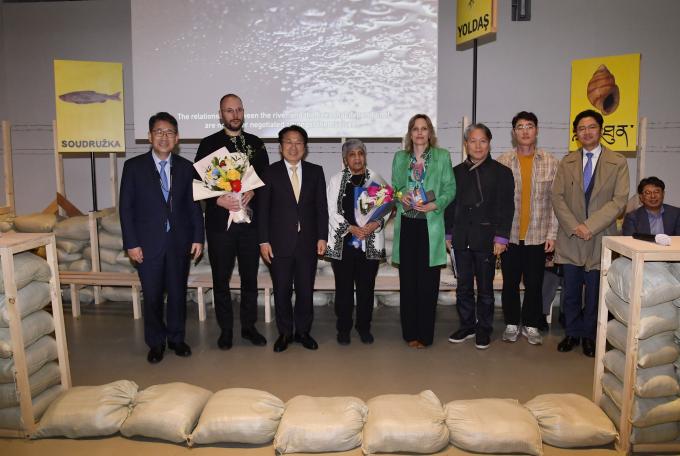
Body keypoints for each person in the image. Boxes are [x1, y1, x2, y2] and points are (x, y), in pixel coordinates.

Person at [120, 112, 204, 364]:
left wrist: (198, 237)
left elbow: (193, 207)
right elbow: (126, 209)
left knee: (178, 294)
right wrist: (131, 243)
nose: (164, 137)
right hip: (147, 245)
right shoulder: (133, 167)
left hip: (179, 243)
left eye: (169, 133)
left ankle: (177, 339)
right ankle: (156, 342)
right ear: (149, 136)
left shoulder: (186, 168)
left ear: (177, 138)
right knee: (153, 295)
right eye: (159, 132)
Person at [194, 94, 269, 350]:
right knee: (221, 279)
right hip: (219, 226)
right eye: (229, 111)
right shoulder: (208, 144)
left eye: (238, 110)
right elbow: (198, 183)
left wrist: (254, 191)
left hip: (249, 224)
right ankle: (225, 330)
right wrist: (218, 200)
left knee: (250, 278)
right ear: (221, 114)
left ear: (243, 112)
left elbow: (266, 179)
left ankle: (248, 327)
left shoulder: (256, 144)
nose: (234, 115)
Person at [552, 109, 629, 357]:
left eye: (591, 127)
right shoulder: (567, 162)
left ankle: (589, 336)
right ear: (576, 133)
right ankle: (572, 333)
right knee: (571, 291)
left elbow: (619, 201)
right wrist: (576, 226)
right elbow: (557, 197)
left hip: (600, 236)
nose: (586, 132)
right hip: (572, 236)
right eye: (581, 128)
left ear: (601, 130)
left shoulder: (618, 162)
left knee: (595, 292)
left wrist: (590, 226)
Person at [258, 125, 328, 352]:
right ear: (280, 147)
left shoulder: (316, 172)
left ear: (305, 147)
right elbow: (262, 210)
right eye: (289, 142)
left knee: (306, 290)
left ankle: (303, 331)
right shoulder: (270, 172)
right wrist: (263, 241)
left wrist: (322, 237)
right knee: (282, 290)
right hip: (278, 244)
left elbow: (321, 208)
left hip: (308, 242)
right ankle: (285, 332)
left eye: (298, 142)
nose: (293, 146)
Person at [446, 123, 514, 350]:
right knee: (463, 287)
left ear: (489, 143)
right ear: (466, 144)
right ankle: (467, 326)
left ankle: (484, 328)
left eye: (482, 141)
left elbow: (507, 208)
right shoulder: (455, 172)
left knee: (485, 289)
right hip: (461, 238)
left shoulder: (502, 172)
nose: (478, 146)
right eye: (473, 141)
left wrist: (502, 238)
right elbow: (450, 206)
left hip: (487, 239)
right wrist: (448, 232)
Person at [392, 114, 455, 348]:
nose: (419, 132)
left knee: (428, 285)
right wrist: (401, 196)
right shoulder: (400, 157)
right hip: (407, 224)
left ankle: (425, 335)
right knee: (408, 283)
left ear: (430, 133)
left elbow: (450, 189)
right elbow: (395, 188)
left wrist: (434, 205)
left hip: (430, 225)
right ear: (410, 133)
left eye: (424, 128)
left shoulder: (442, 156)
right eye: (415, 129)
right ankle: (410, 334)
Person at [496, 112, 559, 345]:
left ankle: (531, 324)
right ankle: (512, 323)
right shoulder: (503, 161)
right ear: (514, 132)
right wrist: (497, 235)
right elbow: (497, 203)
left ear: (537, 130)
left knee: (534, 283)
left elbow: (556, 202)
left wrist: (552, 234)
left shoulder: (551, 162)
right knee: (510, 283)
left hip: (538, 235)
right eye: (520, 127)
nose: (525, 131)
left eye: (529, 126)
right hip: (510, 235)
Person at [325, 139, 388, 345]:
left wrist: (374, 224)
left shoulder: (375, 179)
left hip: (369, 243)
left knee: (366, 289)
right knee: (343, 290)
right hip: (343, 244)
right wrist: (351, 228)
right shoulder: (336, 180)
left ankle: (364, 327)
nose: (357, 158)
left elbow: (387, 208)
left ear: (365, 156)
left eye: (360, 153)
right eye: (352, 155)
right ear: (345, 159)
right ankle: (343, 329)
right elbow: (331, 211)